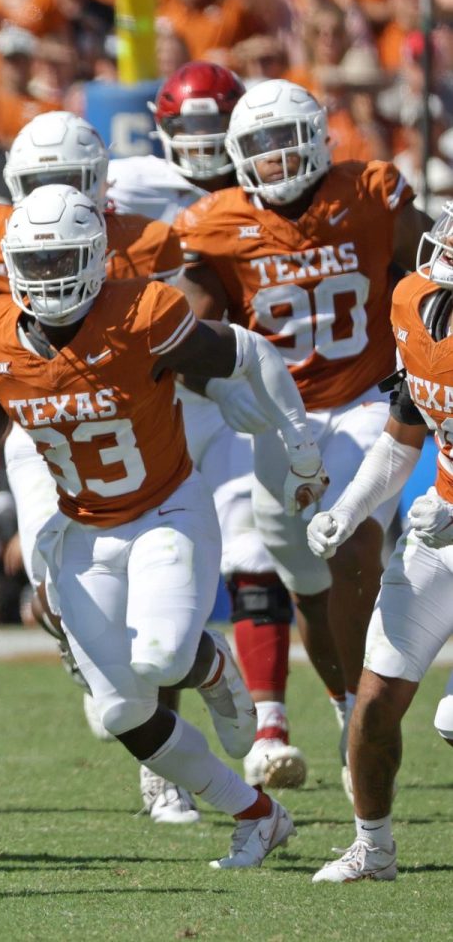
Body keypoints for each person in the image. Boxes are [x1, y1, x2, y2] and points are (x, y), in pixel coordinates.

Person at [0, 184, 322, 869]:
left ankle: (212, 665)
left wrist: (295, 433)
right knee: (121, 713)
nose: (48, 276)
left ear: (96, 259)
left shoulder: (145, 313)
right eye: (33, 263)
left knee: (161, 659)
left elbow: (248, 352)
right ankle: (257, 814)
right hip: (81, 530)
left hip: (165, 510)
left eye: (62, 258)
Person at [0, 110, 200, 823]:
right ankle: (92, 655)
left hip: (130, 422)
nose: (59, 196)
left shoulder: (140, 240)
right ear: (14, 184)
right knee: (52, 583)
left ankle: (161, 769)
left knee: (149, 596)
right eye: (43, 182)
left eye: (74, 181)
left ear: (101, 183)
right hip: (34, 424)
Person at [176, 78, 434, 801]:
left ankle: (366, 718)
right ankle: (350, 705)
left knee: (352, 545)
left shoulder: (371, 190)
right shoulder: (216, 222)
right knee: (309, 587)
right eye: (258, 145)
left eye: (288, 137)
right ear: (235, 154)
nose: (277, 156)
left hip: (364, 399)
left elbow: (432, 269)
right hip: (275, 416)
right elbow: (192, 334)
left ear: (321, 137)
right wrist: (212, 384)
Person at [108, 62, 313, 792]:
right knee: (136, 564)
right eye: (185, 131)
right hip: (132, 398)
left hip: (222, 389)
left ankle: (269, 722)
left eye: (211, 130)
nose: (198, 147)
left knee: (253, 550)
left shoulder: (266, 180)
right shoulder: (126, 182)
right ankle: (159, 752)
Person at [306, 201, 453, 882]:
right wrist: (350, 507)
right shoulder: (415, 303)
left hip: (444, 520)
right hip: (439, 530)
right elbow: (402, 437)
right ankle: (374, 846)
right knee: (373, 703)